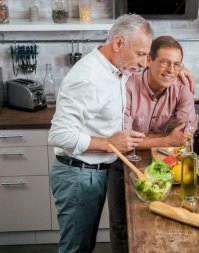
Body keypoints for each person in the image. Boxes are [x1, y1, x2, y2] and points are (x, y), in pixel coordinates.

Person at [48, 14, 152, 253]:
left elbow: (149, 68)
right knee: (76, 248)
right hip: (78, 175)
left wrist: (180, 70)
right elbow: (59, 134)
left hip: (94, 173)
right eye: (141, 54)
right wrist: (109, 143)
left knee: (85, 245)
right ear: (118, 44)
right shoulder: (88, 77)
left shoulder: (116, 68)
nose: (145, 62)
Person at [107, 35, 197, 253]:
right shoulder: (126, 86)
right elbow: (124, 139)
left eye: (177, 64)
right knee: (121, 225)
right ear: (148, 60)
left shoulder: (182, 87)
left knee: (159, 224)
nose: (170, 70)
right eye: (165, 62)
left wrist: (169, 141)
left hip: (163, 164)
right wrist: (166, 140)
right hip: (123, 161)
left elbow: (186, 133)